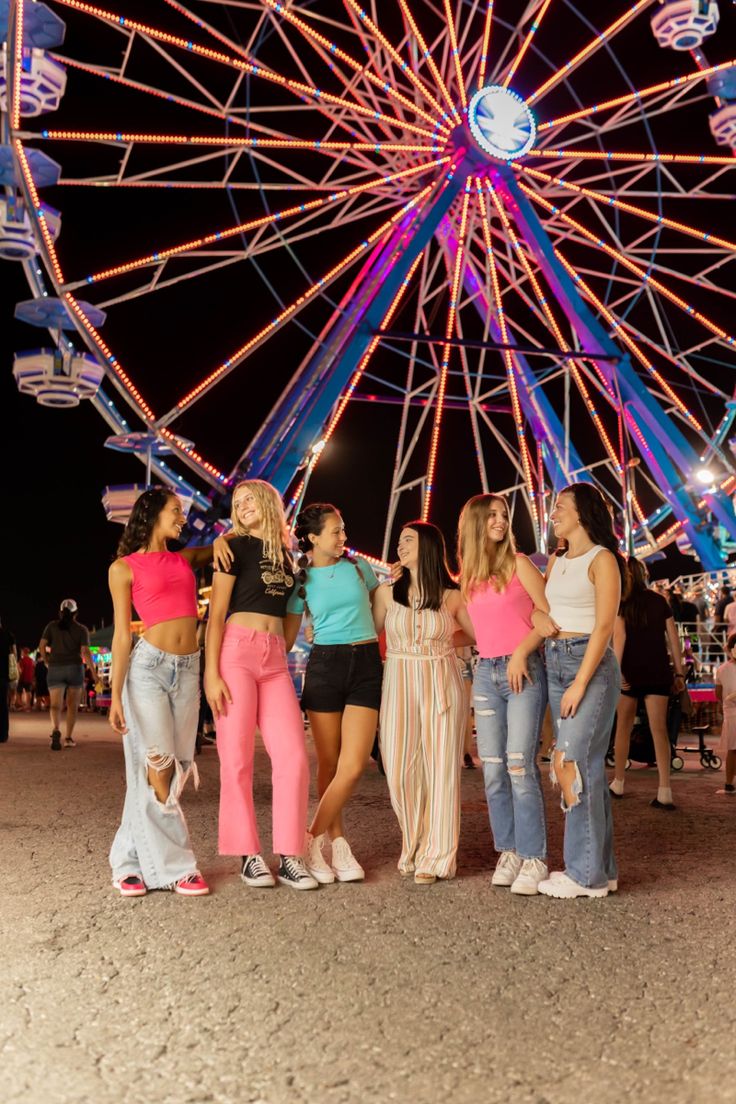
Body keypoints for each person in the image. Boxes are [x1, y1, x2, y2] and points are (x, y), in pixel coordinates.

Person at [108, 486, 232, 898]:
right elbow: (123, 635)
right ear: (152, 514)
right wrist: (114, 690)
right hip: (147, 671)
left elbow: (221, 545)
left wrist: (219, 540)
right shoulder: (123, 568)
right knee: (158, 767)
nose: (183, 516)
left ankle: (128, 863)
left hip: (188, 668)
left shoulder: (183, 558)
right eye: (176, 510)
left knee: (172, 767)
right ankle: (178, 868)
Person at [206, 480, 317, 891]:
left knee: (293, 757)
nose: (244, 505)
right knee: (236, 759)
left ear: (270, 502)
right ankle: (248, 855)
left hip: (275, 659)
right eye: (238, 502)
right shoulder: (231, 547)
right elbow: (216, 615)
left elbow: (290, 629)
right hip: (235, 652)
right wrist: (211, 673)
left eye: (251, 498)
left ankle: (290, 854)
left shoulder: (289, 561)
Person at [533, 483, 624, 900]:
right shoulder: (556, 560)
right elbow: (544, 608)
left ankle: (582, 875)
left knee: (570, 764)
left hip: (588, 664)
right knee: (583, 768)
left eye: (560, 507)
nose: (553, 514)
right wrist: (538, 616)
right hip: (555, 659)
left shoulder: (602, 560)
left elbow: (604, 627)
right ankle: (601, 870)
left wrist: (581, 683)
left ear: (583, 513)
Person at [285, 502, 383, 884]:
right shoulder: (301, 582)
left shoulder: (361, 569)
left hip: (366, 664)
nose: (344, 537)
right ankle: (338, 840)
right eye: (335, 532)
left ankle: (310, 840)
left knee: (355, 764)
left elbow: (380, 608)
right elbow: (290, 632)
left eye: (343, 530)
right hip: (325, 666)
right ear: (312, 538)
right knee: (328, 763)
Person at [458, 494, 549, 896]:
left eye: (504, 515)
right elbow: (477, 631)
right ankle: (508, 849)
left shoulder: (521, 564)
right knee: (492, 769)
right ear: (475, 523)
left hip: (522, 671)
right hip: (486, 672)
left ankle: (535, 857)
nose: (500, 520)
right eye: (492, 515)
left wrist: (521, 654)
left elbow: (548, 617)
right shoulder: (468, 577)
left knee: (518, 765)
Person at [373, 521, 473, 884]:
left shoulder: (452, 596)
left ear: (429, 546)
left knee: (442, 768)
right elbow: (369, 634)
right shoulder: (386, 593)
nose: (400, 546)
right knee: (399, 766)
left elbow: (477, 633)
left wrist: (442, 636)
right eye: (398, 541)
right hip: (398, 678)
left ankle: (438, 854)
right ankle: (412, 841)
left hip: (439, 677)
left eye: (408, 541)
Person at [610, 559, 686, 809]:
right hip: (657, 672)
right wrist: (679, 674)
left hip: (630, 673)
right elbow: (674, 641)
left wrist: (617, 671)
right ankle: (665, 789)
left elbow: (618, 642)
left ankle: (619, 781)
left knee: (623, 726)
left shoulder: (622, 605)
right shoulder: (659, 601)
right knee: (659, 730)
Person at [39, 600, 97, 750]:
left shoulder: (51, 626)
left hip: (55, 667)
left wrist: (46, 661)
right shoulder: (82, 629)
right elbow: (85, 652)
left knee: (55, 705)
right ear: (76, 613)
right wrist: (94, 673)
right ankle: (68, 738)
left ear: (60, 612)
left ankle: (55, 730)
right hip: (75, 669)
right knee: (72, 706)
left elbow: (42, 645)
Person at [716, 634, 736, 796]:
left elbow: (718, 694)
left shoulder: (721, 669)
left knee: (732, 749)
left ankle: (729, 784)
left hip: (730, 713)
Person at [0, 616, 16, 743]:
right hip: (3, 673)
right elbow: (14, 654)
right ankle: (3, 734)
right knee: (3, 704)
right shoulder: (8, 635)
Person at [16, 647, 35, 712]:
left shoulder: (22, 660)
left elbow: (20, 671)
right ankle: (28, 705)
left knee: (18, 692)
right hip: (29, 678)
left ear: (24, 652)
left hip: (22, 678)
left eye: (22, 652)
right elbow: (33, 669)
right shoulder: (31, 660)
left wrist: (18, 667)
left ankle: (22, 706)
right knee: (28, 691)